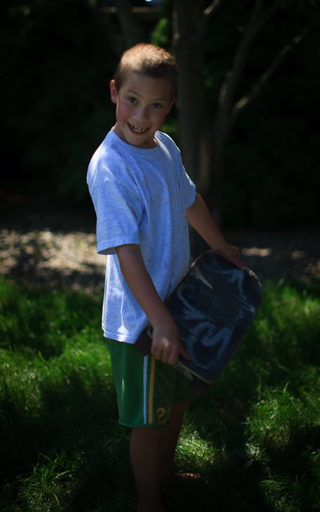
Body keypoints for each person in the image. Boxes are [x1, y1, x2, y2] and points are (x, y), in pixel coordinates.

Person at [87, 43, 244, 512]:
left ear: (169, 107)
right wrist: (159, 320)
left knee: (175, 401)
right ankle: (149, 502)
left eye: (156, 105)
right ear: (115, 93)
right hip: (141, 323)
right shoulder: (111, 167)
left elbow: (189, 198)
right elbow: (127, 252)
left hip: (179, 304)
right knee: (147, 419)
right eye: (132, 99)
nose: (141, 115)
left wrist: (219, 245)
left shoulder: (165, 147)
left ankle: (167, 473)